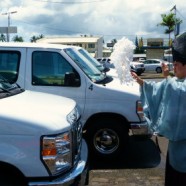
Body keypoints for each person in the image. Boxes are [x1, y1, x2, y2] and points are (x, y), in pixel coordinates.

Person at [131, 31, 186, 186]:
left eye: (176, 65)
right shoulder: (177, 80)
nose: (174, 68)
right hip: (176, 147)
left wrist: (167, 78)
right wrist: (143, 83)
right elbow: (162, 88)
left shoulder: (178, 84)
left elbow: (178, 92)